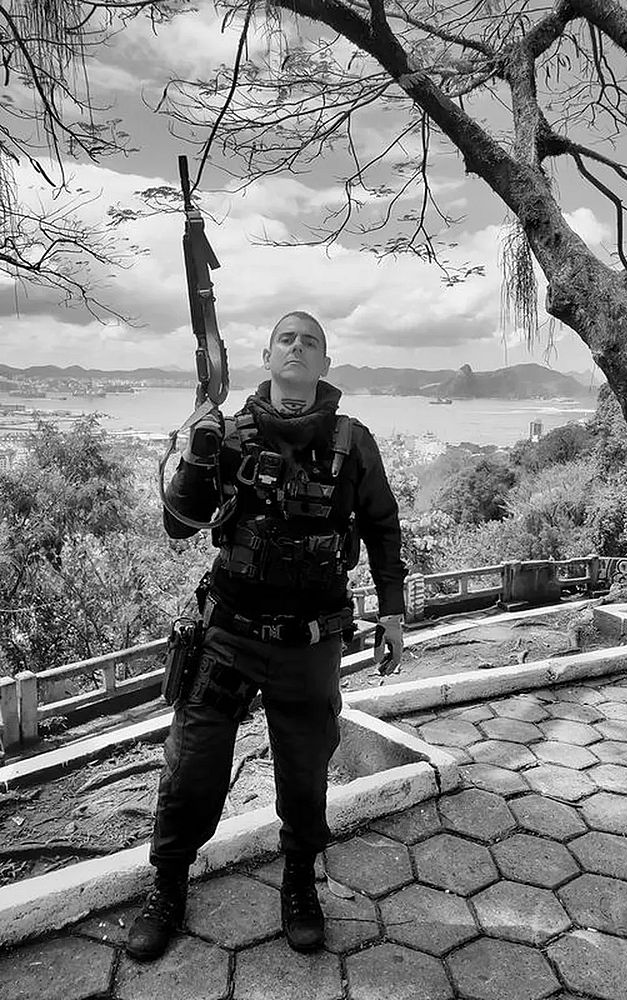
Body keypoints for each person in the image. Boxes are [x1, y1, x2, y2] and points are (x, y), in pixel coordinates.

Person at [126, 311, 406, 961]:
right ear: (267, 356)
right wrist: (196, 455)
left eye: (310, 342)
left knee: (305, 773)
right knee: (193, 766)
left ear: (325, 364)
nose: (297, 348)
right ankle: (167, 885)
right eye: (287, 339)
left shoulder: (353, 441)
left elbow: (383, 527)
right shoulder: (228, 434)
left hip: (310, 641)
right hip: (229, 634)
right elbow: (179, 526)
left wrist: (392, 613)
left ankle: (300, 881)